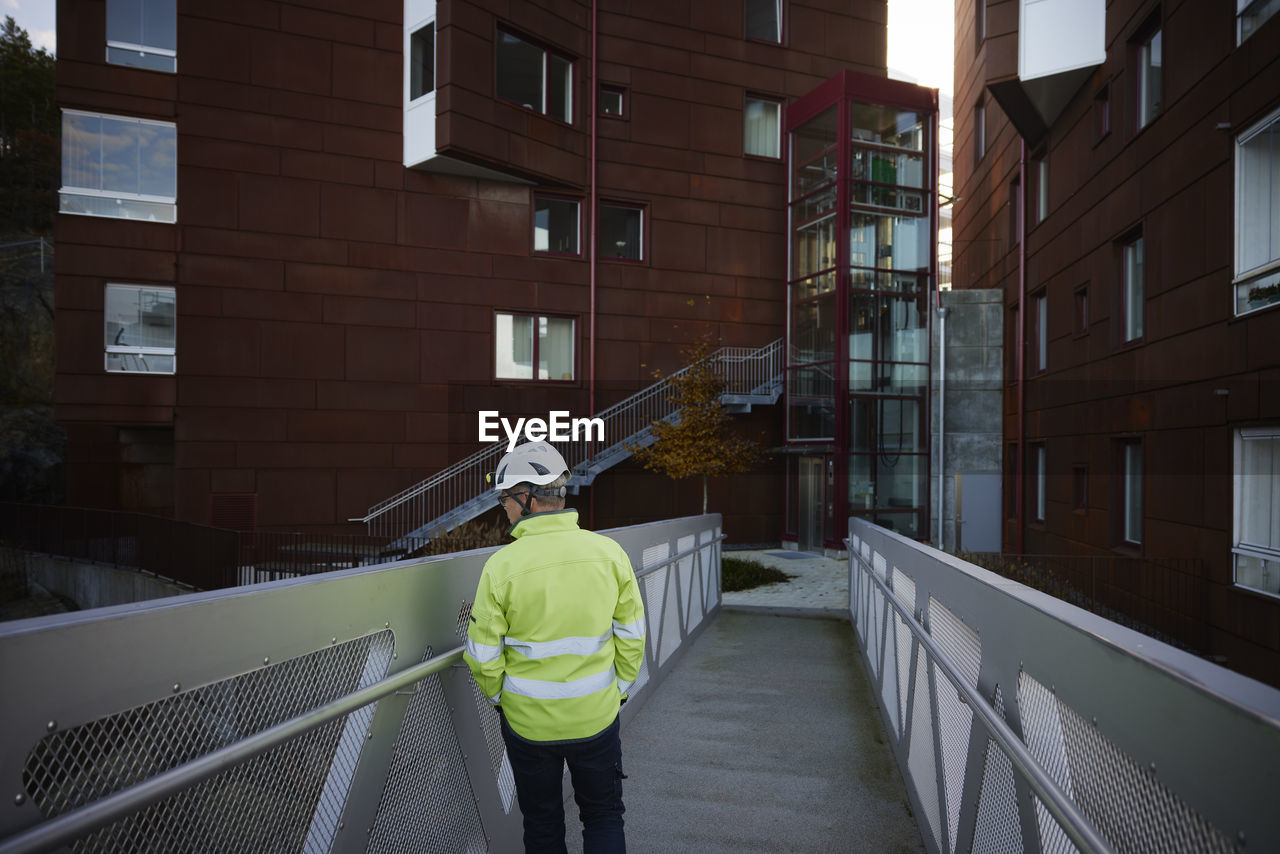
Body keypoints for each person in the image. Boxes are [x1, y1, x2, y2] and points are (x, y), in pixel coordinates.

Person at [463, 441, 646, 854]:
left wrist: (500, 699)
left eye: (506, 499)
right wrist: (616, 690)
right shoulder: (609, 554)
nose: (504, 508)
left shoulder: (501, 567)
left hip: (529, 726)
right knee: (603, 816)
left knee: (543, 825)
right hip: (596, 718)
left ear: (527, 498)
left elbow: (482, 655)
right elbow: (632, 636)